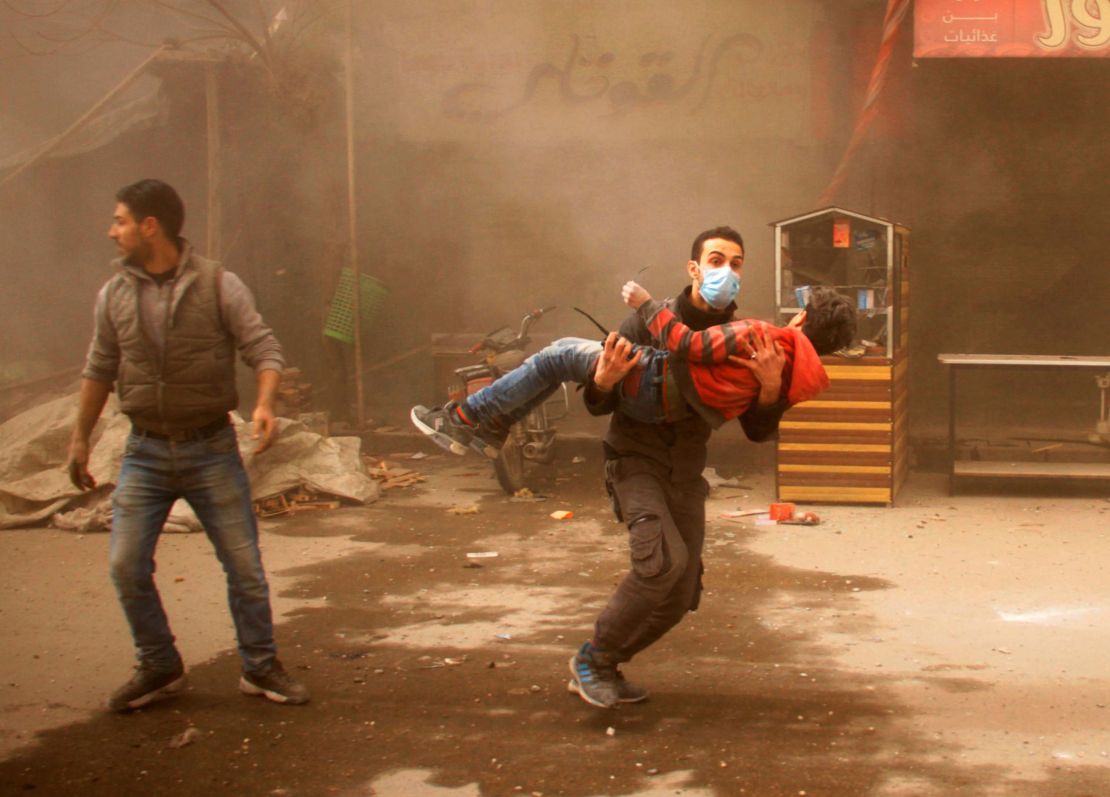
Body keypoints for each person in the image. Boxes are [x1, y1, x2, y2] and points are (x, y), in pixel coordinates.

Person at [66, 179, 309, 712]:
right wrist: (81, 438)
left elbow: (263, 349)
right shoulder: (115, 294)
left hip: (211, 447)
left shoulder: (219, 284)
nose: (113, 232)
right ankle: (159, 664)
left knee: (243, 567)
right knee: (126, 567)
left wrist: (265, 404)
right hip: (144, 451)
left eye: (120, 221)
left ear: (149, 226)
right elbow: (99, 368)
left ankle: (260, 665)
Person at [409, 282, 855, 454]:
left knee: (555, 354)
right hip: (664, 398)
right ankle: (496, 424)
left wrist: (647, 307)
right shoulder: (804, 377)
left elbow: (686, 342)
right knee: (563, 357)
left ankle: (461, 418)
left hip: (653, 380)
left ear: (801, 319)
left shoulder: (762, 335)